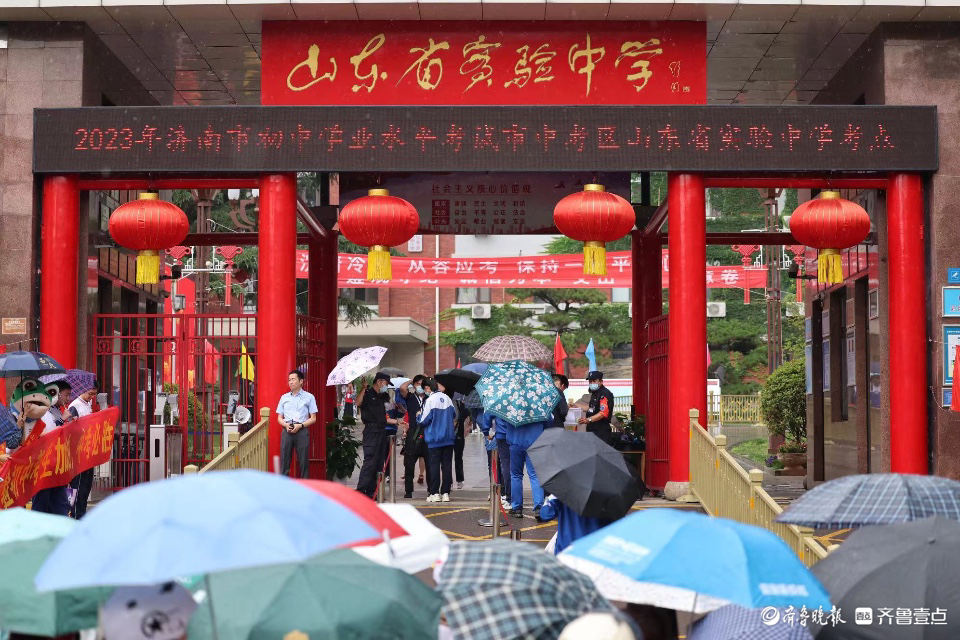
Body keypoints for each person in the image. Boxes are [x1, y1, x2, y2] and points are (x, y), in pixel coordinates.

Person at [356, 372, 403, 498]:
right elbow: (358, 403)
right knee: (370, 462)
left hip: (381, 431)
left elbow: (382, 418)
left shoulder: (380, 397)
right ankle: (360, 491)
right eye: (386, 384)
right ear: (379, 382)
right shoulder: (367, 393)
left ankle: (373, 492)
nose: (386, 386)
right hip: (371, 432)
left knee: (378, 463)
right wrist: (364, 388)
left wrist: (398, 421)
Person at [539, 493, 619, 555]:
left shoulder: (564, 488)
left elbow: (545, 514)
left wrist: (548, 500)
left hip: (566, 549)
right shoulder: (609, 492)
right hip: (595, 550)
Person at [417, 378, 456, 503]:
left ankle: (434, 493)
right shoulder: (448, 399)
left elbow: (423, 421)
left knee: (433, 467)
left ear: (428, 388)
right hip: (448, 438)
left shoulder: (430, 401)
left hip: (434, 439)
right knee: (447, 466)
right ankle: (445, 493)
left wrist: (418, 415)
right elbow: (454, 415)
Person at [276, 370, 318, 479]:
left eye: (293, 379)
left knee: (304, 462)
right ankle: (284, 487)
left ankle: (305, 487)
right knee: (284, 462)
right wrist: (285, 425)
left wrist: (301, 426)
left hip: (302, 430)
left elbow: (313, 418)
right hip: (287, 429)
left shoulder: (309, 397)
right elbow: (279, 418)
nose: (290, 382)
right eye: (289, 380)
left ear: (301, 381)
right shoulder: (284, 397)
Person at [67, 377, 99, 518]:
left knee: (86, 487)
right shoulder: (75, 406)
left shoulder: (87, 404)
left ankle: (82, 513)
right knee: (78, 487)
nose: (92, 397)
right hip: (78, 453)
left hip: (88, 451)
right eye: (90, 394)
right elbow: (71, 429)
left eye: (94, 394)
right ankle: (75, 514)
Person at [507, 419, 546, 519]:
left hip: (516, 441)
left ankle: (517, 508)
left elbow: (504, 420)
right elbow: (548, 421)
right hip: (535, 441)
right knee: (535, 475)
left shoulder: (510, 406)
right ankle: (539, 508)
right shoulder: (539, 404)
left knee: (516, 475)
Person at [402, 375, 428, 489]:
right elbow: (403, 388)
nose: (420, 386)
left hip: (427, 431)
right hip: (413, 432)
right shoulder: (410, 397)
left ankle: (432, 490)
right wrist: (412, 381)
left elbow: (442, 390)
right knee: (409, 463)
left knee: (430, 462)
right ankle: (408, 490)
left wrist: (429, 380)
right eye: (418, 384)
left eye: (422, 384)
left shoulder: (430, 397)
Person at [579, 370, 614, 444]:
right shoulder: (595, 393)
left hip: (601, 432)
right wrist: (577, 406)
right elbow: (592, 409)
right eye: (590, 381)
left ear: (601, 381)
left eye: (594, 381)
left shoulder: (604, 394)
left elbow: (603, 413)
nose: (592, 383)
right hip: (592, 431)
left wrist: (588, 420)